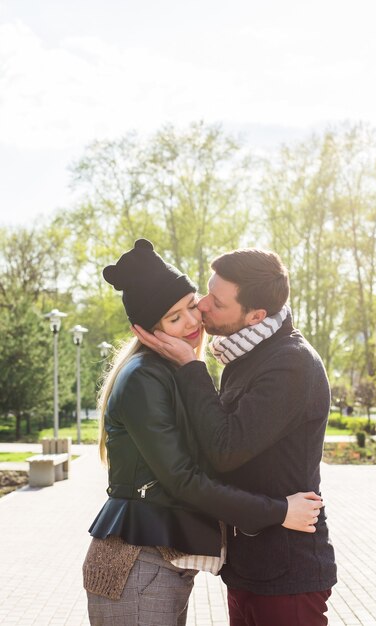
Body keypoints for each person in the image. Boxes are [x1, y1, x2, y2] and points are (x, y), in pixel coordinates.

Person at [83, 239, 324, 626]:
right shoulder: (147, 376)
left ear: (254, 315)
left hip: (165, 563)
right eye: (175, 317)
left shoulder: (183, 370)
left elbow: (219, 447)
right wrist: (279, 511)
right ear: (147, 329)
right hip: (135, 561)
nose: (196, 320)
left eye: (192, 305)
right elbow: (186, 478)